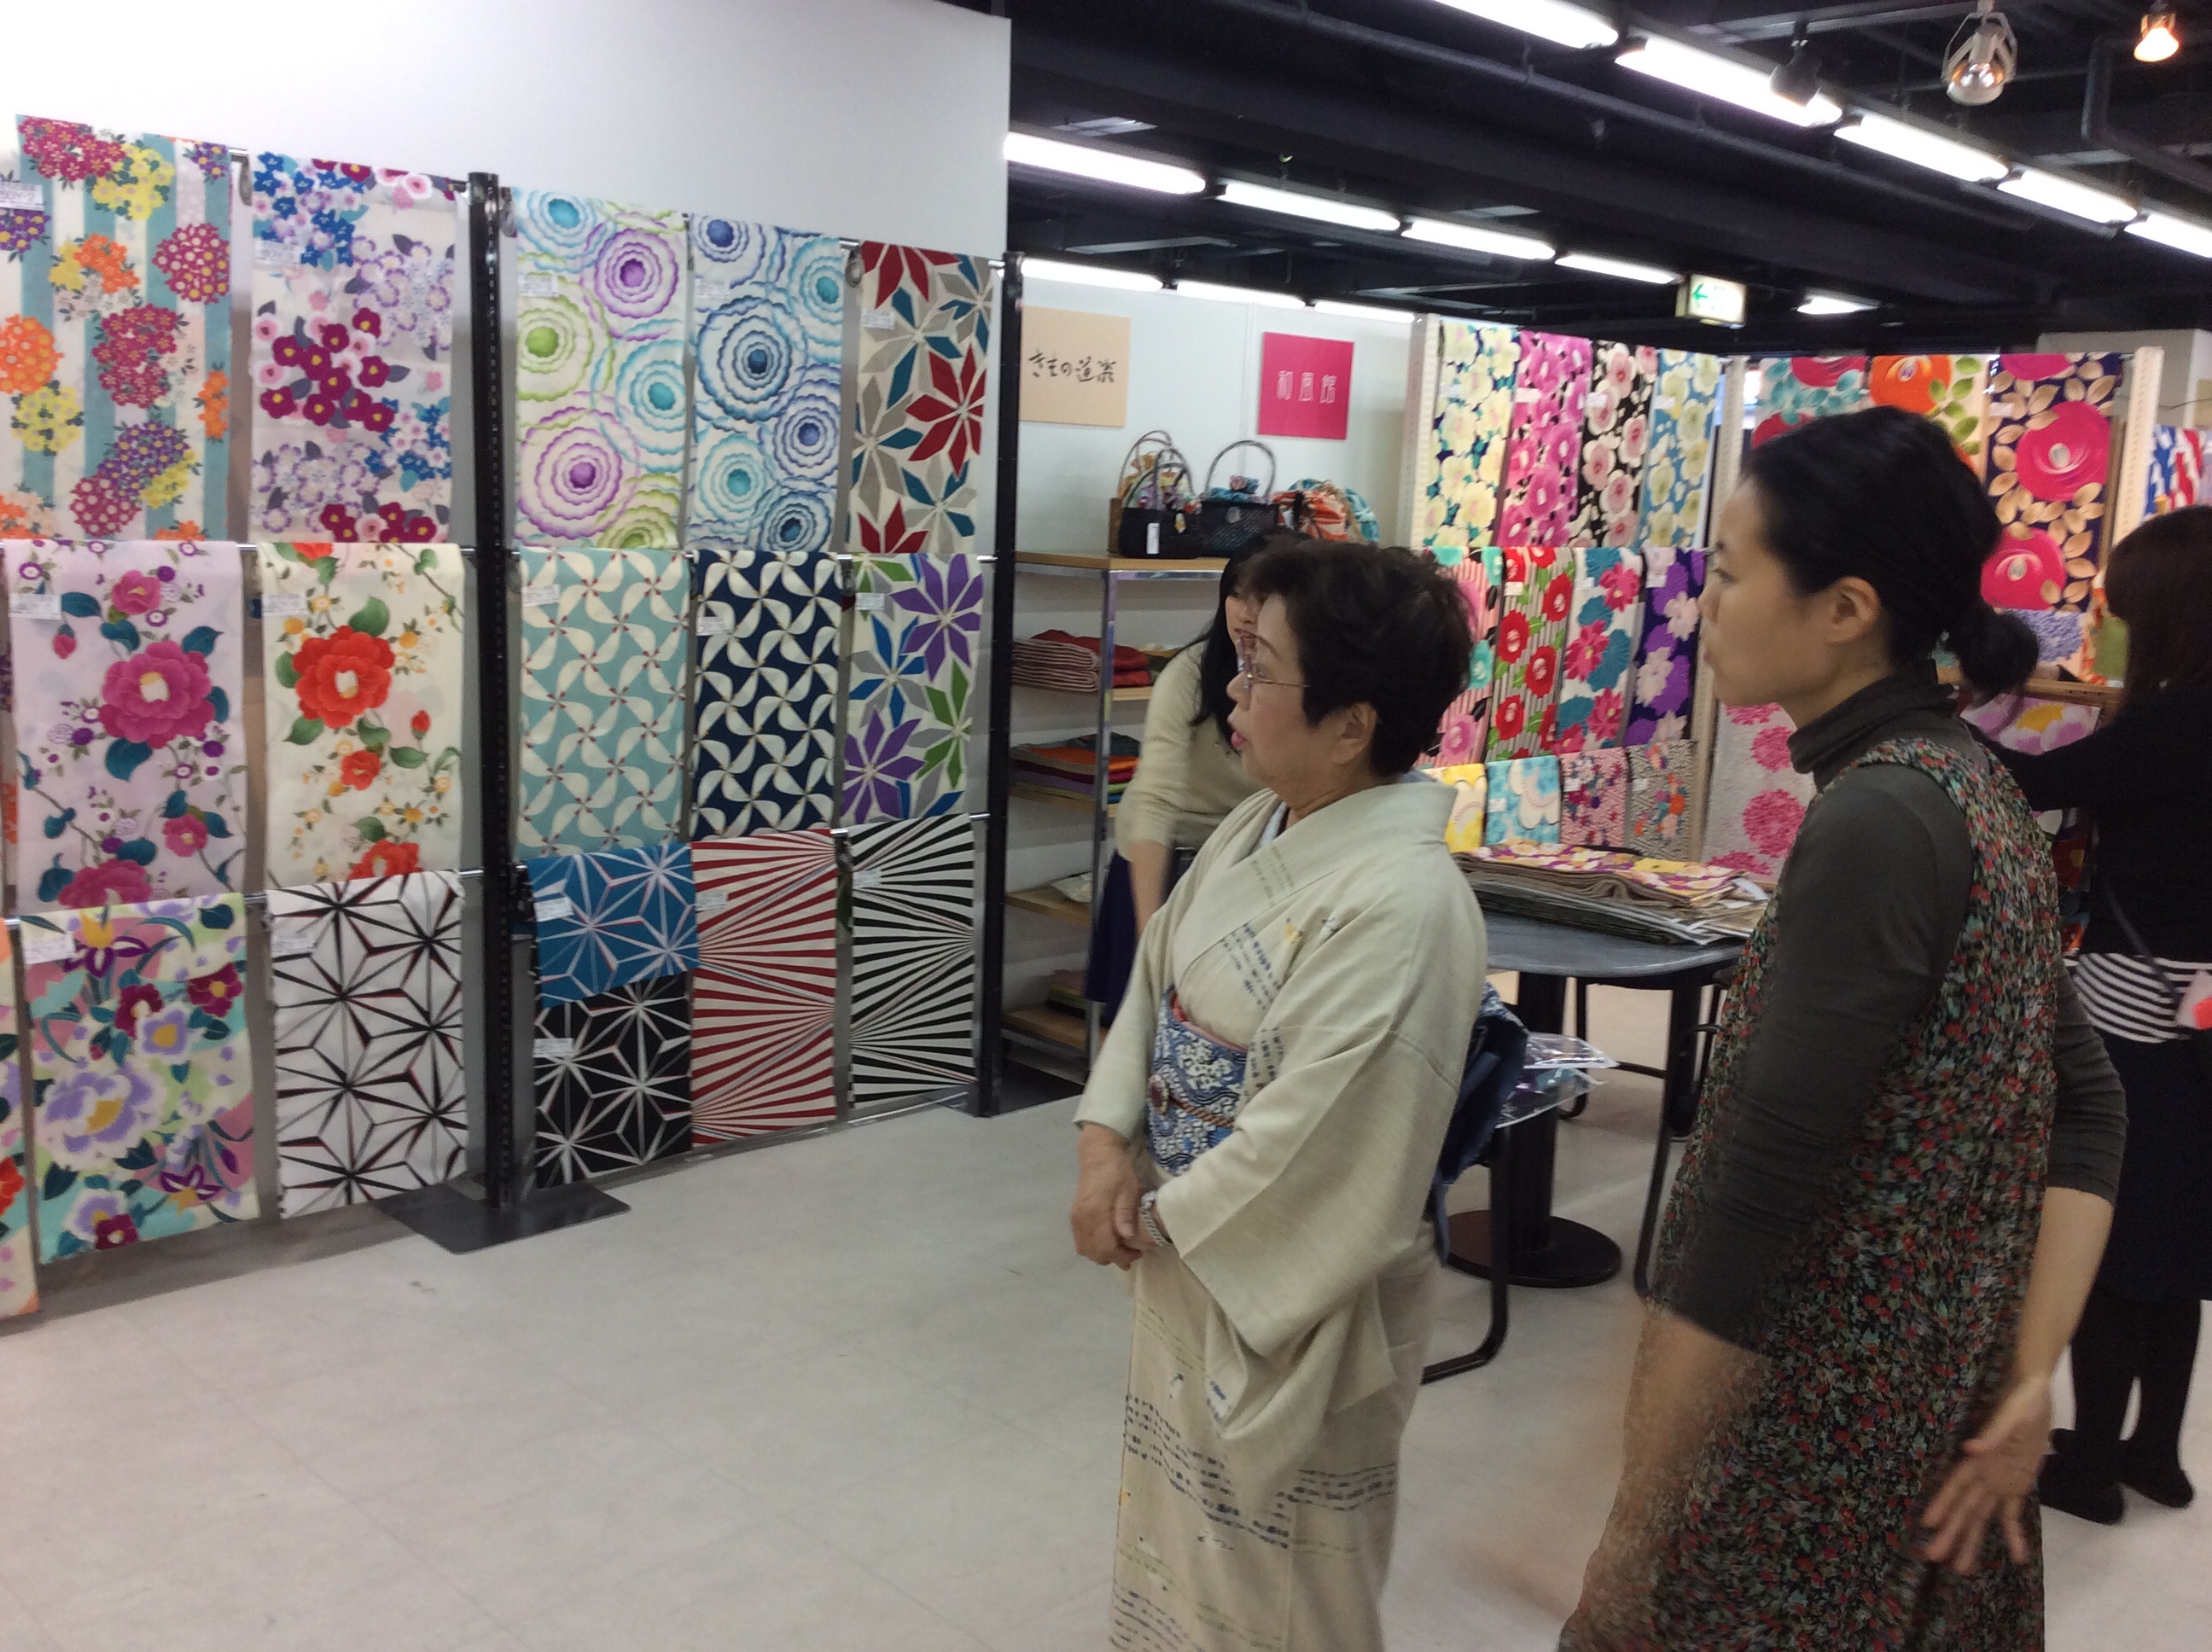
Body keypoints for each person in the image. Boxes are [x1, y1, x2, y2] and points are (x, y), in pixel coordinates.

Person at [1566, 407, 2127, 1648]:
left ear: (1845, 608)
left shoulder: (1880, 820)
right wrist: (2028, 1376)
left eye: (1729, 572)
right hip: (1930, 1412)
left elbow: (1760, 1196)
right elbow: (2089, 1108)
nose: (1705, 604)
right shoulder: (1973, 788)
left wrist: (1633, 1506)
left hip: (1806, 1448)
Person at [1068, 538, 1484, 1651]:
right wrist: (1106, 1147)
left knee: (1282, 1596)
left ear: (1352, 724)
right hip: (1187, 1256)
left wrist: (1154, 1217)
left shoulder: (1404, 903)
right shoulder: (1259, 823)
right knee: (1179, 1562)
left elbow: (1318, 1147)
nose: (1233, 691)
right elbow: (1155, 983)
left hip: (1289, 1303)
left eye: (1260, 669)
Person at [1982, 505, 2212, 1525]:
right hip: (2204, 1016)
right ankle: (2154, 1450)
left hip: (2135, 1008)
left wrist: (1939, 718)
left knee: (2111, 1233)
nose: (2104, 620)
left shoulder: (2169, 726)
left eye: (2117, 605)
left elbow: (2031, 781)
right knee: (2181, 1241)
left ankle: (2085, 1471)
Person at [1082, 534, 1275, 1018]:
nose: (1245, 613)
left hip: (1250, 863)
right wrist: (1152, 932)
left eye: (1262, 599)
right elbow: (1154, 800)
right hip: (1166, 861)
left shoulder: (1299, 682)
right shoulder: (1190, 674)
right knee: (1140, 1029)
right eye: (1236, 595)